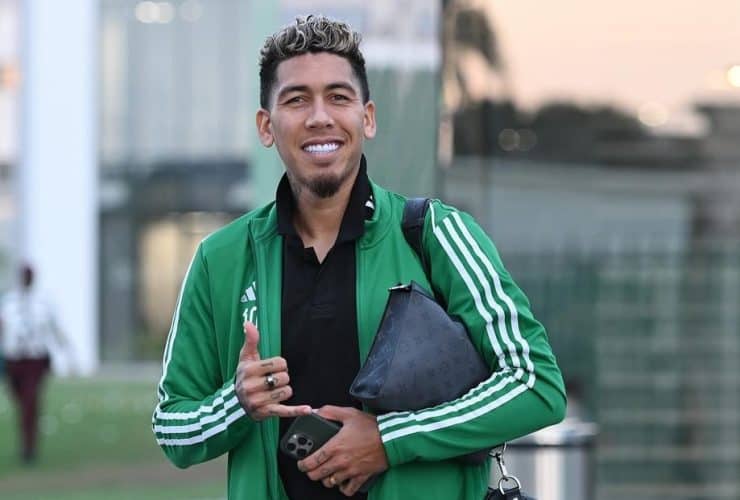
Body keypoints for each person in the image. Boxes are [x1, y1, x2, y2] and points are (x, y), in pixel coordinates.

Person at [153, 15, 566, 500]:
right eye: (296, 99)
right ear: (266, 126)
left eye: (338, 97)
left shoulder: (435, 234)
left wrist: (388, 441)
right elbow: (172, 428)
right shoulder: (221, 258)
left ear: (367, 118)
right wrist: (236, 402)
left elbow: (535, 383)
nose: (319, 117)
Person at [1, 264, 69, 464]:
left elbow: (54, 328)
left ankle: (29, 447)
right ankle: (27, 433)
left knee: (30, 401)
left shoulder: (43, 303)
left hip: (34, 358)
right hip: (13, 358)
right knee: (20, 400)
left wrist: (67, 353)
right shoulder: (8, 302)